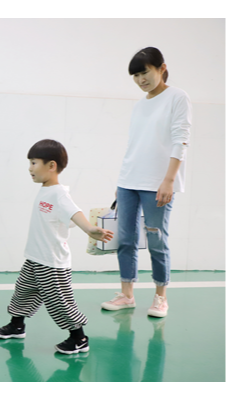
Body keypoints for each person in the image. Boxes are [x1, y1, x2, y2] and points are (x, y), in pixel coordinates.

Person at [0, 139, 114, 354]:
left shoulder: (59, 193)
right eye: (29, 163)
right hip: (35, 257)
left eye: (34, 163)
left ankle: (79, 338)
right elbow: (62, 220)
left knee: (59, 301)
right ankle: (16, 325)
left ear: (51, 166)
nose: (29, 168)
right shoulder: (44, 191)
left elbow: (74, 212)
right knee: (22, 292)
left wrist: (88, 229)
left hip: (52, 262)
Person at [101, 47, 192, 318]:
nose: (141, 79)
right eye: (136, 75)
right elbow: (134, 146)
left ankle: (160, 297)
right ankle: (127, 294)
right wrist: (121, 181)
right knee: (126, 239)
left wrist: (169, 180)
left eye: (145, 72)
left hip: (158, 183)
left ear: (161, 68)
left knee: (156, 240)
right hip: (129, 181)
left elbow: (181, 139)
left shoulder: (178, 97)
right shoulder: (139, 105)